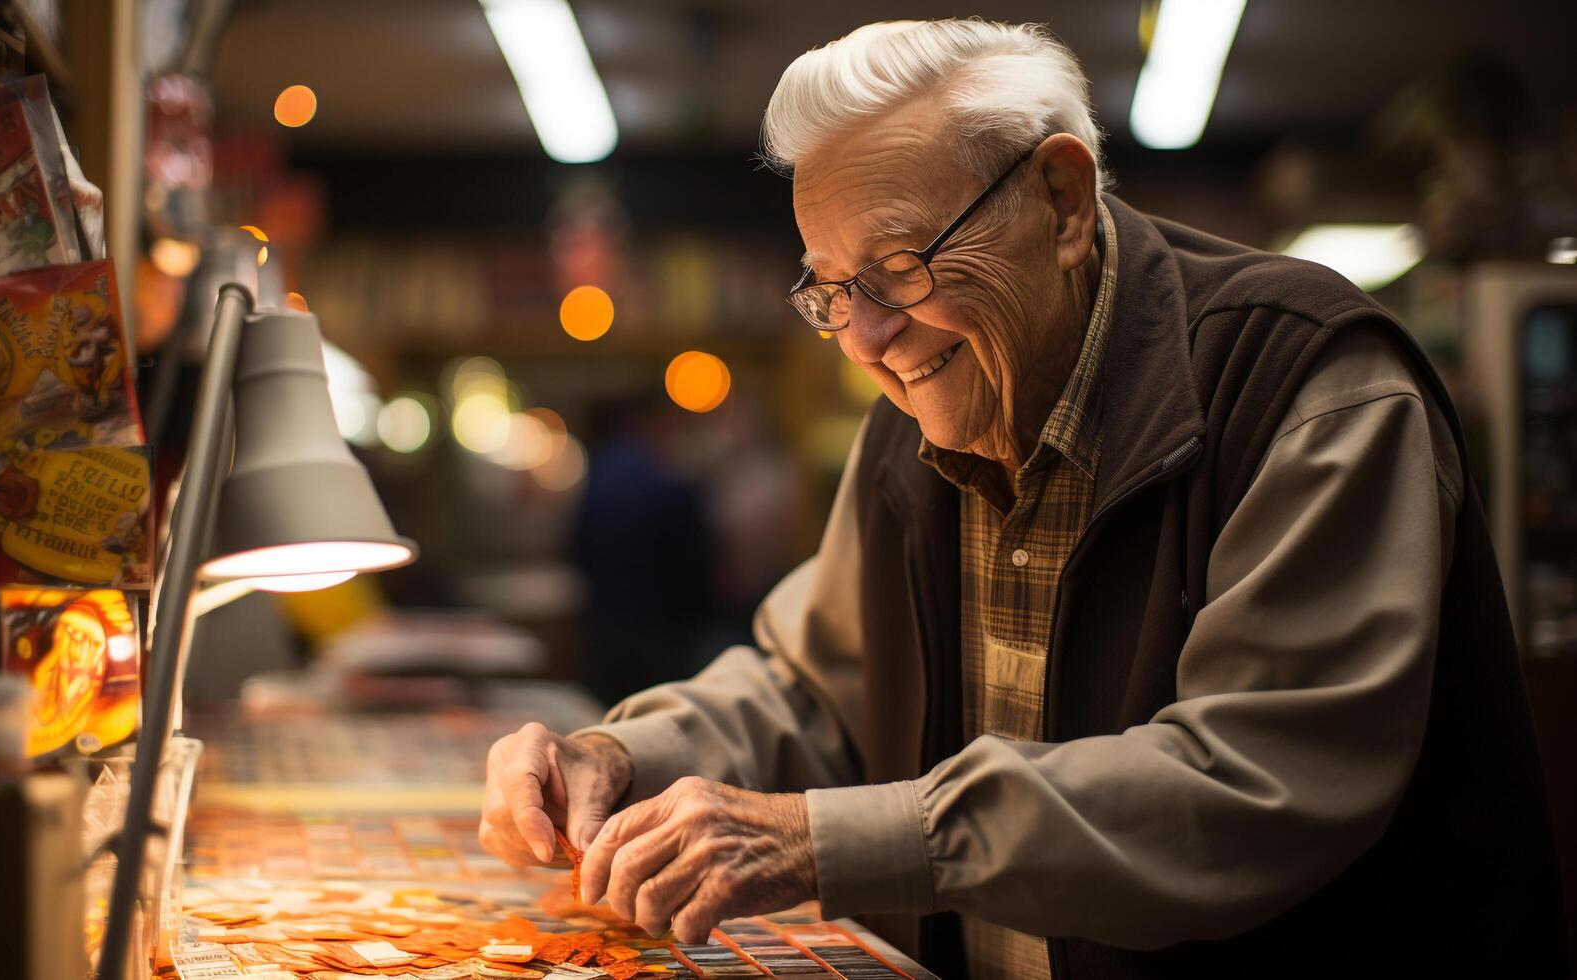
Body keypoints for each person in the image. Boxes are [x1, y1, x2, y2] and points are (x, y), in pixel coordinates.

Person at [479, 19, 1564, 979]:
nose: (862, 337)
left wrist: (823, 840)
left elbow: (1249, 783)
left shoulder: (1303, 386)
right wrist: (621, 753)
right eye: (829, 288)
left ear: (1060, 200)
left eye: (899, 267)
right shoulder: (914, 420)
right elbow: (811, 687)